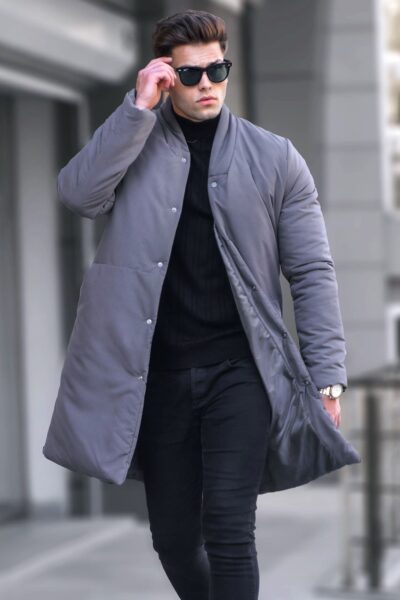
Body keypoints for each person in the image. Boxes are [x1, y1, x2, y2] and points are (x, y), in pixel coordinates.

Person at [43, 8, 360, 600]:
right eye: (190, 75)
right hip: (159, 375)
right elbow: (79, 195)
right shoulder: (135, 140)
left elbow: (312, 271)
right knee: (173, 538)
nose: (207, 84)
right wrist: (137, 109)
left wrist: (328, 377)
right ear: (167, 76)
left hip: (241, 373)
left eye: (218, 70)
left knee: (230, 530)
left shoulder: (276, 158)